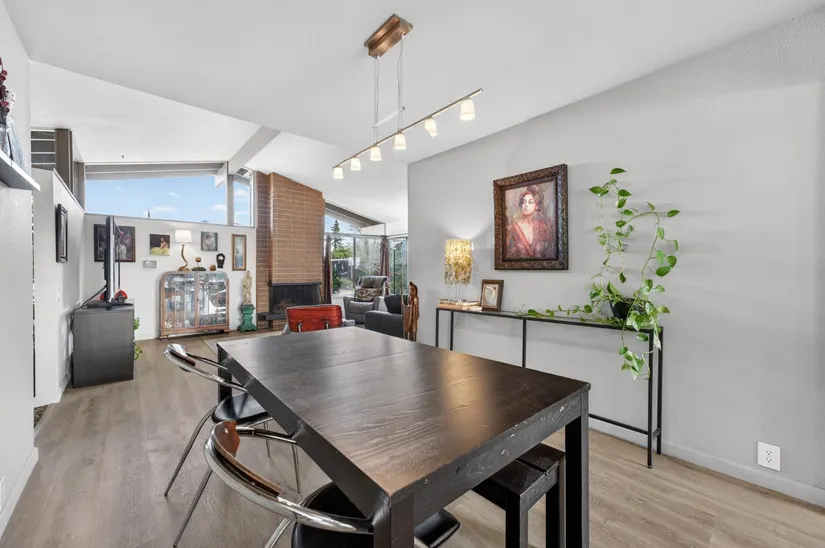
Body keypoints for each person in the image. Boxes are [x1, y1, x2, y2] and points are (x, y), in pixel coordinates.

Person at [506, 185, 555, 259]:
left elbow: (550, 251)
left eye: (530, 202)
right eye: (524, 202)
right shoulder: (514, 228)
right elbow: (509, 253)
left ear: (537, 206)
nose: (526, 205)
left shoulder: (542, 226)